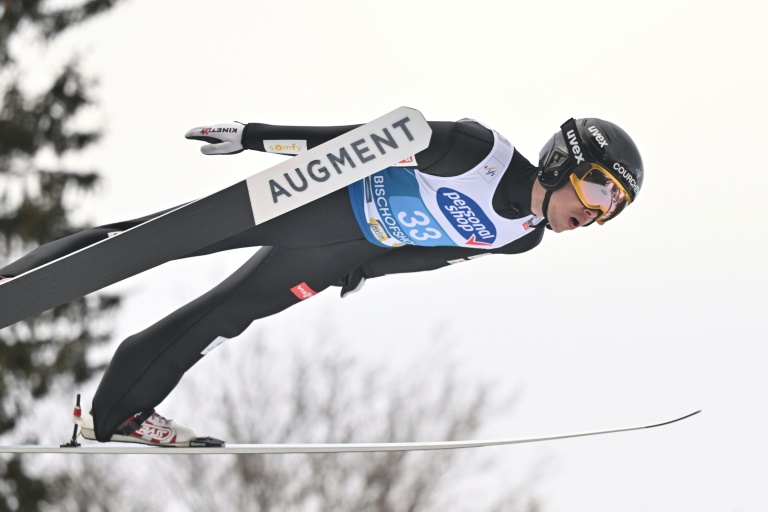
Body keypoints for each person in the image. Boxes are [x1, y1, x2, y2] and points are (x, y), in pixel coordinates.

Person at [0, 116, 644, 446]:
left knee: (226, 314)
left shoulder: (521, 237)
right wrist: (255, 137)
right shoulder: (476, 151)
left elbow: (435, 253)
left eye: (611, 208)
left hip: (335, 254)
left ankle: (118, 413)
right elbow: (355, 140)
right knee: (154, 240)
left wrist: (364, 271)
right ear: (565, 160)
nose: (594, 212)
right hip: (313, 204)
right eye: (597, 189)